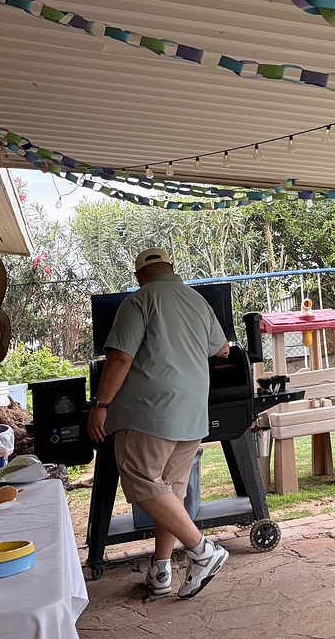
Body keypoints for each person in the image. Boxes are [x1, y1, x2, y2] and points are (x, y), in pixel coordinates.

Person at [87, 248, 231, 599]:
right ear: (171, 269)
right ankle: (161, 569)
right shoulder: (197, 301)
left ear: (139, 277)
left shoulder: (137, 302)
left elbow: (120, 357)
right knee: (170, 491)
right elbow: (223, 349)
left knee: (143, 483)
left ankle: (202, 550)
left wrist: (101, 405)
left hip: (149, 414)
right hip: (192, 413)